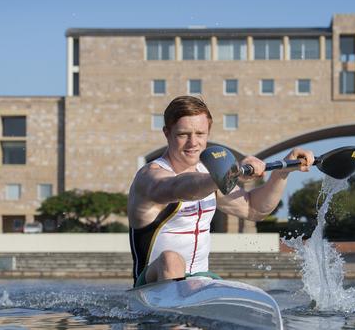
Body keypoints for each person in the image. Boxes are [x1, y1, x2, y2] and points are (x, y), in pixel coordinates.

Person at [127, 95, 314, 287]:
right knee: (171, 259)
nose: (193, 143)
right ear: (167, 133)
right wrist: (231, 173)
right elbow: (180, 187)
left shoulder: (208, 176)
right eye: (183, 134)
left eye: (200, 134)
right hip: (150, 286)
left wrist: (281, 173)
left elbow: (255, 210)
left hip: (200, 281)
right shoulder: (149, 177)